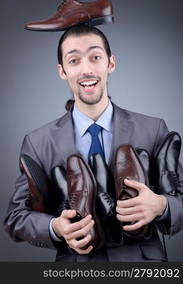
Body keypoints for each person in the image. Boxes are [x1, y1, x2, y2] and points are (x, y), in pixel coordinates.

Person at [4, 25, 183, 262]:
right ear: (62, 71)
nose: (86, 69)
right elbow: (15, 218)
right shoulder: (38, 143)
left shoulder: (152, 129)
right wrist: (56, 227)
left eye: (95, 57)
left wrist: (161, 205)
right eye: (74, 60)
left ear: (111, 63)